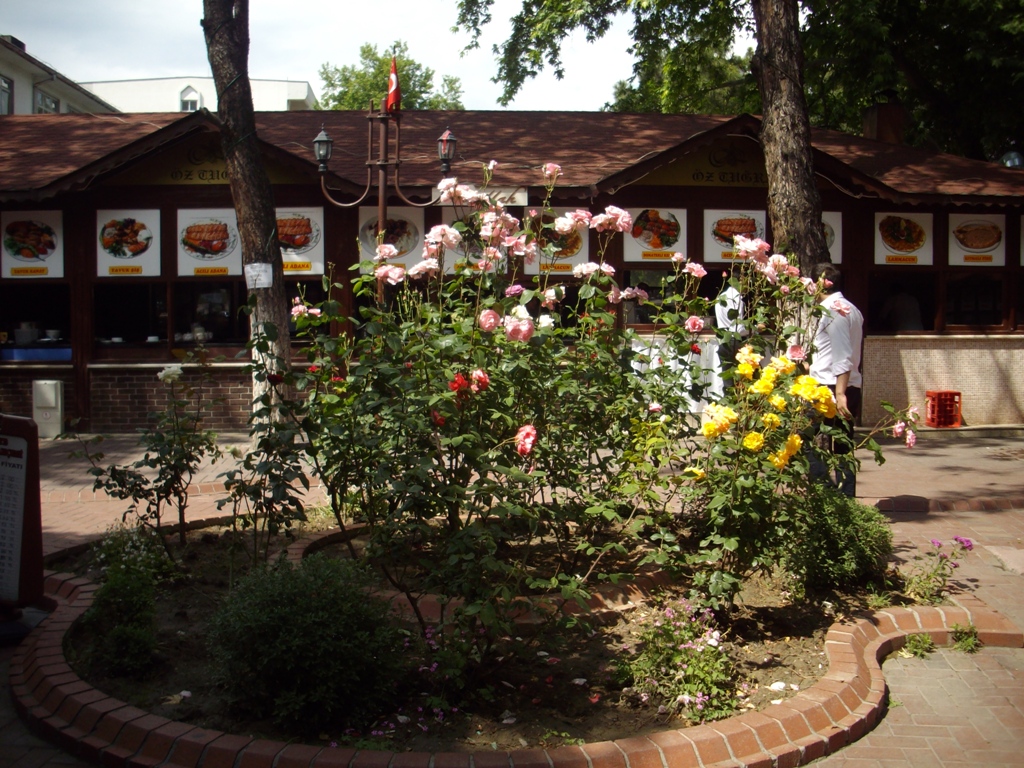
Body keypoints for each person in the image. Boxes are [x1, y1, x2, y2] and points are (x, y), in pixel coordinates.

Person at [807, 262, 864, 497]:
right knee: (842, 448)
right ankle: (842, 499)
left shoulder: (835, 311)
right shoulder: (851, 308)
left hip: (833, 388)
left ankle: (831, 492)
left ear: (816, 284)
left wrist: (839, 395)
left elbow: (842, 354)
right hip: (841, 385)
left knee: (800, 438)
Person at [714, 270, 747, 383]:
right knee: (740, 381)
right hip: (734, 342)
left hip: (723, 342)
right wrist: (755, 329)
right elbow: (739, 329)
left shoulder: (721, 297)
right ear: (740, 281)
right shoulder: (737, 300)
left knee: (727, 382)